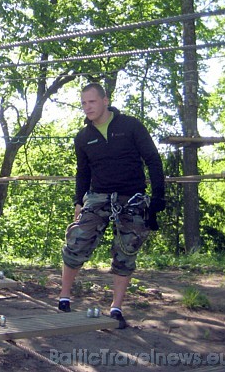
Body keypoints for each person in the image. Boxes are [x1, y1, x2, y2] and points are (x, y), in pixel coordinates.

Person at [58, 82, 165, 329]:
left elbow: (153, 160)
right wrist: (78, 200)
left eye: (92, 102)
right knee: (76, 242)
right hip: (98, 196)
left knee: (126, 251)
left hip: (132, 197)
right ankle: (64, 298)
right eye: (83, 103)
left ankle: (116, 307)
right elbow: (82, 172)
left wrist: (158, 198)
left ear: (105, 100)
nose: (87, 107)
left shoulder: (131, 126)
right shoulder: (83, 137)